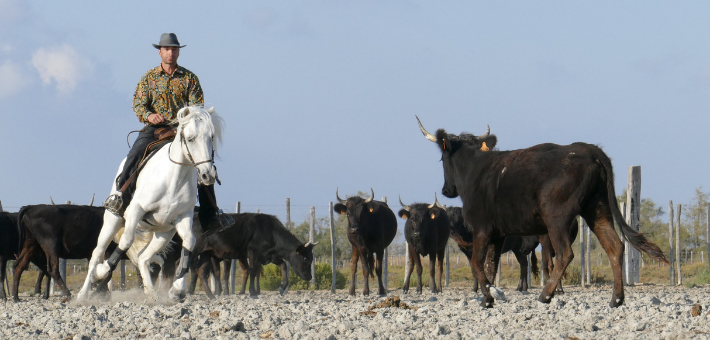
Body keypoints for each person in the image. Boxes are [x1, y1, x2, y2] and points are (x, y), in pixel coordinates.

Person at [104, 33, 229, 234]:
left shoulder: (190, 78)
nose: (171, 52)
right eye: (167, 49)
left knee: (205, 165)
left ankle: (210, 216)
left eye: (174, 49)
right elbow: (138, 103)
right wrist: (149, 115)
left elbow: (197, 108)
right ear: (160, 52)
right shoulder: (149, 78)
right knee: (135, 153)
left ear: (178, 51)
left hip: (183, 130)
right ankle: (120, 198)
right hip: (155, 129)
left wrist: (187, 123)